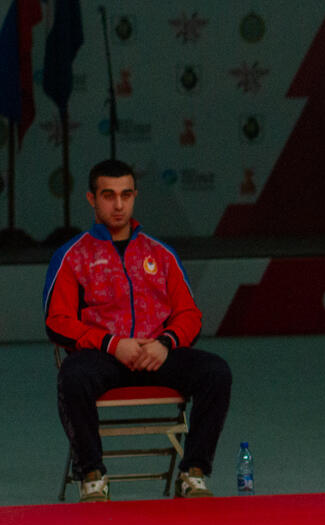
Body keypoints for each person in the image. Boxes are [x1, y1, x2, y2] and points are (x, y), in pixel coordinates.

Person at [44, 159, 233, 501]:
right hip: (104, 357)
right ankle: (92, 475)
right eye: (108, 195)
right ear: (91, 199)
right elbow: (58, 321)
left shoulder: (160, 253)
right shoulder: (71, 256)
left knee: (215, 372)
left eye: (126, 195)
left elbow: (189, 314)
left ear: (135, 196)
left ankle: (193, 473)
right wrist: (112, 344)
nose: (118, 205)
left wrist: (165, 343)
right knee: (72, 376)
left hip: (157, 354)